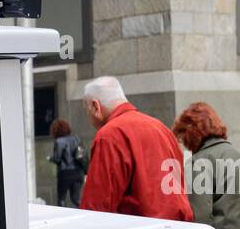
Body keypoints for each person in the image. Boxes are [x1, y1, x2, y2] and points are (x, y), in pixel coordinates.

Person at [79, 76, 192, 221]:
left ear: (96, 107)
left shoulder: (109, 135)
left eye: (87, 110)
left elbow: (96, 208)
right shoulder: (161, 128)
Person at [47, 118, 86, 207]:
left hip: (65, 173)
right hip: (78, 172)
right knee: (76, 199)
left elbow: (57, 158)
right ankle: (84, 213)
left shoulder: (59, 141)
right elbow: (81, 155)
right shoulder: (76, 139)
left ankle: (62, 218)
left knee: (62, 199)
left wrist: (50, 158)